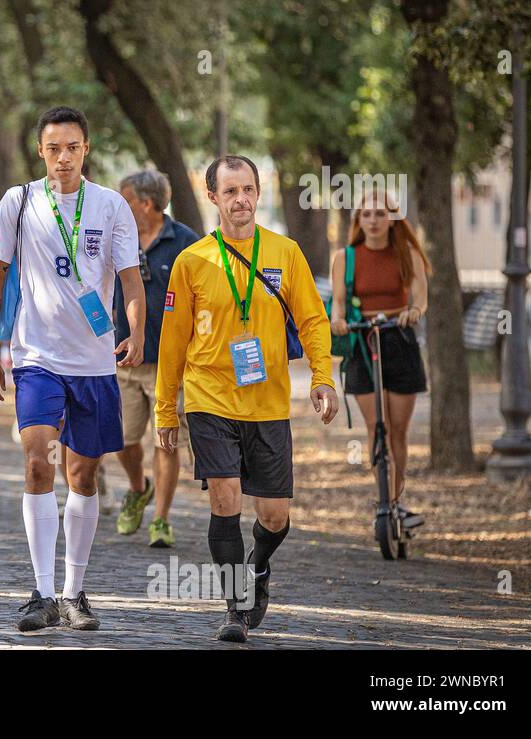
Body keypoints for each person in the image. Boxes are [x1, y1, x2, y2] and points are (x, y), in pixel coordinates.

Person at [156, 154, 338, 643]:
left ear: (259, 194)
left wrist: (323, 377)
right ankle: (236, 608)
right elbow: (172, 343)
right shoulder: (192, 261)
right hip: (208, 397)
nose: (241, 199)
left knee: (275, 516)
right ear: (212, 197)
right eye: (230, 191)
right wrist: (165, 408)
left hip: (269, 402)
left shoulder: (285, 253)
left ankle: (256, 571)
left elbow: (313, 321)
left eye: (249, 190)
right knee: (225, 499)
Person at [0, 106, 145, 632]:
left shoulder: (111, 206)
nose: (63, 157)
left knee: (84, 473)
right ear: (41, 152)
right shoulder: (19, 201)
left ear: (86, 149)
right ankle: (42, 592)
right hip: (36, 358)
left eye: (72, 147)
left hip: (93, 363)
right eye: (54, 148)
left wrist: (136, 330)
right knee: (36, 461)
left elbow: (132, 280)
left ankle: (75, 591)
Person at [110, 170, 199, 547]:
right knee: (122, 441)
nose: (119, 205)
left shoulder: (185, 243)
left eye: (125, 199)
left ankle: (161, 519)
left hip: (169, 365)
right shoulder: (115, 236)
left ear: (145, 203)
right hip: (122, 360)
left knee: (167, 442)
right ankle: (137, 487)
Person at [330, 193, 429, 529]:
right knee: (376, 427)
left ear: (392, 219)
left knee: (398, 430)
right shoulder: (345, 257)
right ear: (359, 220)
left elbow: (421, 297)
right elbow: (338, 305)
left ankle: (398, 500)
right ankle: (384, 501)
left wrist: (414, 312)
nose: (373, 220)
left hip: (398, 338)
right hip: (363, 339)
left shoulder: (408, 253)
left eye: (380, 214)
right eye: (366, 214)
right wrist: (338, 320)